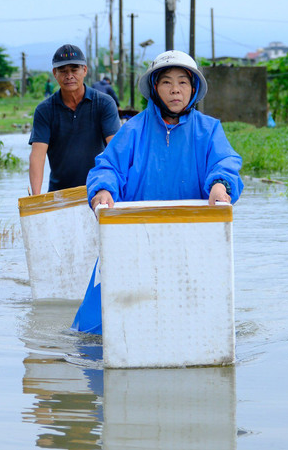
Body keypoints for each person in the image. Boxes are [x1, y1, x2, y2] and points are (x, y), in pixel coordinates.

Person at [71, 50, 244, 334]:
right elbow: (107, 167)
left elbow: (225, 164)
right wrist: (102, 190)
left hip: (192, 238)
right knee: (91, 330)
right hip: (134, 236)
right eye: (166, 82)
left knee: (193, 320)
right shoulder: (133, 130)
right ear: (154, 88)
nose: (175, 89)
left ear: (194, 88)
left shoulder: (210, 130)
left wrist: (220, 185)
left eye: (182, 82)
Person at [28, 44, 121, 195]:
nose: (69, 76)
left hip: (99, 191)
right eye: (63, 71)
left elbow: (116, 149)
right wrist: (36, 197)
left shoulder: (104, 103)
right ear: (54, 73)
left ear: (84, 70)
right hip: (59, 194)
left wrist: (118, 187)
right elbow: (37, 155)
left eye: (74, 70)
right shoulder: (44, 110)